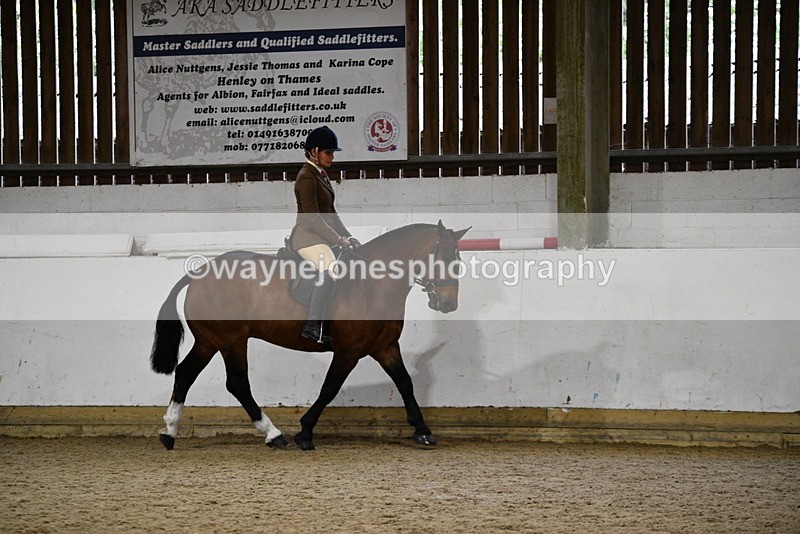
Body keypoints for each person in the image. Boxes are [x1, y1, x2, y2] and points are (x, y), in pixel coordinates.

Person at [290, 126, 360, 342]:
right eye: (328, 153)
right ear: (314, 152)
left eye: (332, 153)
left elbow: (331, 213)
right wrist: (337, 239)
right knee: (332, 269)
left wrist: (348, 236)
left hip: (321, 237)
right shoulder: (306, 177)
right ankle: (313, 324)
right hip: (308, 238)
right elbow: (313, 218)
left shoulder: (321, 175)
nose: (332, 157)